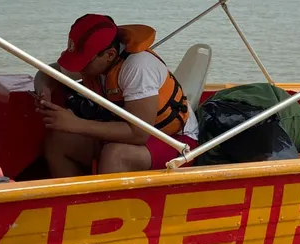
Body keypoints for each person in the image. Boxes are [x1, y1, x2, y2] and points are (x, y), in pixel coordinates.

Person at [35, 14, 199, 176]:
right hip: (129, 135)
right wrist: (44, 90)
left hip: (177, 141)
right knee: (58, 143)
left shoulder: (138, 68)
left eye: (83, 62)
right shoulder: (96, 61)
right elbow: (49, 72)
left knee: (115, 155)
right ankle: (78, 200)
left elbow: (139, 134)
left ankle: (105, 202)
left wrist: (75, 124)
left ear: (110, 55)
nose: (79, 67)